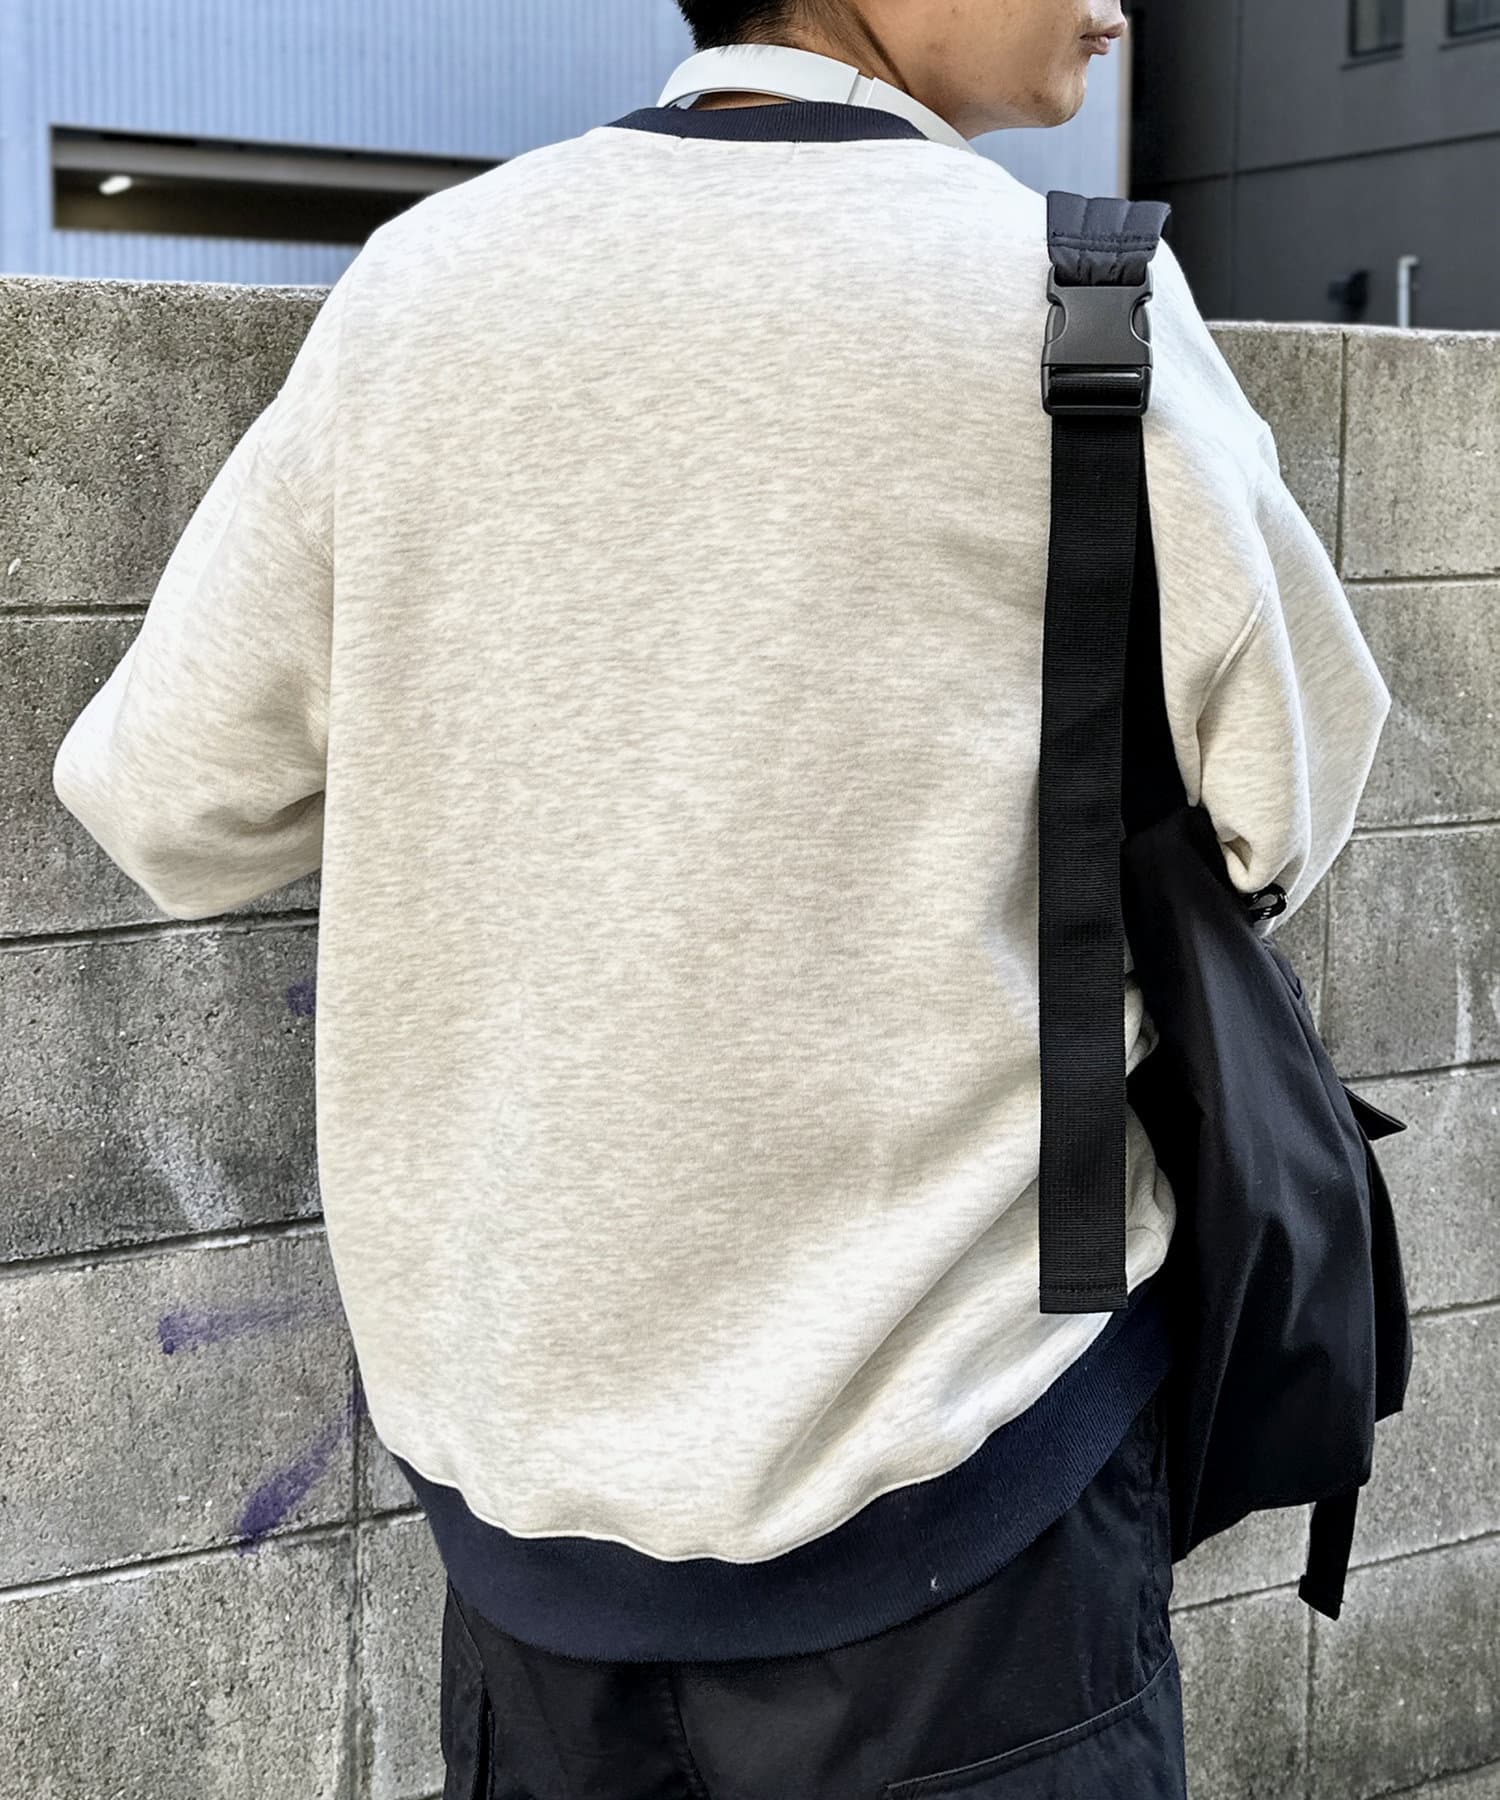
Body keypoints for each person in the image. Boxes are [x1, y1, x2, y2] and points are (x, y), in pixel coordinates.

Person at [51, 0, 1391, 1794]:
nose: (1113, 6)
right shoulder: (1076, 294)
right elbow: (1287, 803)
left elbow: (168, 803)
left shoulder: (426, 288)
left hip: (531, 1545)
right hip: (976, 1498)